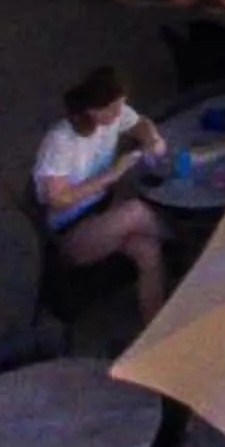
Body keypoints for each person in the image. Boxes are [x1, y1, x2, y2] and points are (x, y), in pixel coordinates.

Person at [31, 67, 171, 323]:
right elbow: (57, 198)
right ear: (94, 110)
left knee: (147, 249)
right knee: (136, 211)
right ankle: (187, 242)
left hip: (103, 213)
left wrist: (152, 138)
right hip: (71, 232)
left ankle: (157, 327)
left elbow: (139, 123)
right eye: (114, 109)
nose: (119, 114)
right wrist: (111, 175)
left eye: (121, 106)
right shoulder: (61, 142)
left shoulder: (114, 116)